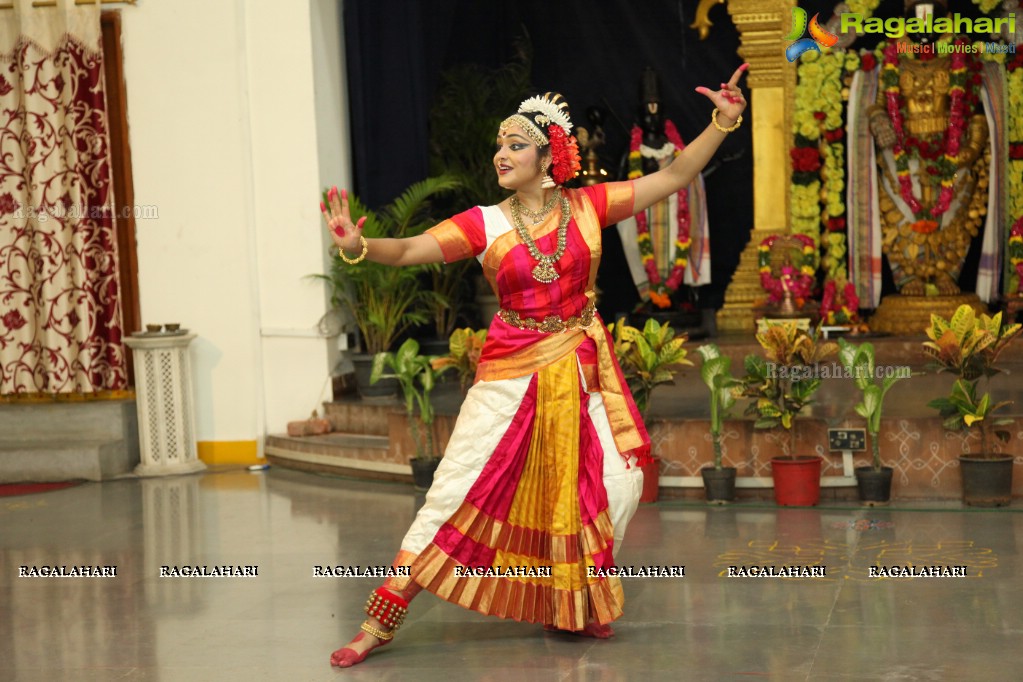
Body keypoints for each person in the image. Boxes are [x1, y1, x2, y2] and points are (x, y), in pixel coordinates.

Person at [320, 66, 748, 668]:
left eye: (515, 143)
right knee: (454, 489)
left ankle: (569, 599)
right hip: (509, 373)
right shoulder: (486, 222)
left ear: (548, 156)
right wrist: (357, 246)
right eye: (499, 144)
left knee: (618, 484)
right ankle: (379, 620)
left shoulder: (590, 205)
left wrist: (722, 123)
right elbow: (413, 249)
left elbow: (675, 174)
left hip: (579, 365)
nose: (501, 152)